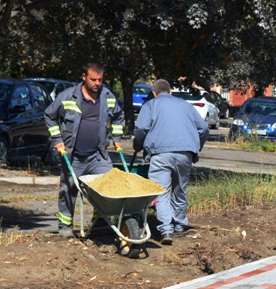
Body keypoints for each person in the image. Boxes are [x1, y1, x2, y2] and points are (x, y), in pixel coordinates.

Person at [45, 61, 124, 238]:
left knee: (106, 186)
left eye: (100, 80)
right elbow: (49, 116)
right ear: (84, 77)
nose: (97, 83)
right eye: (93, 79)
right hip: (73, 155)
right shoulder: (67, 97)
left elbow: (118, 115)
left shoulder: (107, 96)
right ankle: (65, 226)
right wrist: (57, 140)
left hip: (98, 155)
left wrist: (117, 138)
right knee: (69, 190)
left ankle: (100, 222)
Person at [133, 79, 209, 245]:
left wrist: (137, 146)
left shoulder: (150, 105)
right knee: (179, 189)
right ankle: (179, 225)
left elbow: (141, 129)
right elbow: (203, 128)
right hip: (185, 152)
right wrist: (196, 147)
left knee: (160, 191)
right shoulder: (186, 105)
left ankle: (166, 229)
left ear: (154, 93)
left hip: (160, 153)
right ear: (170, 92)